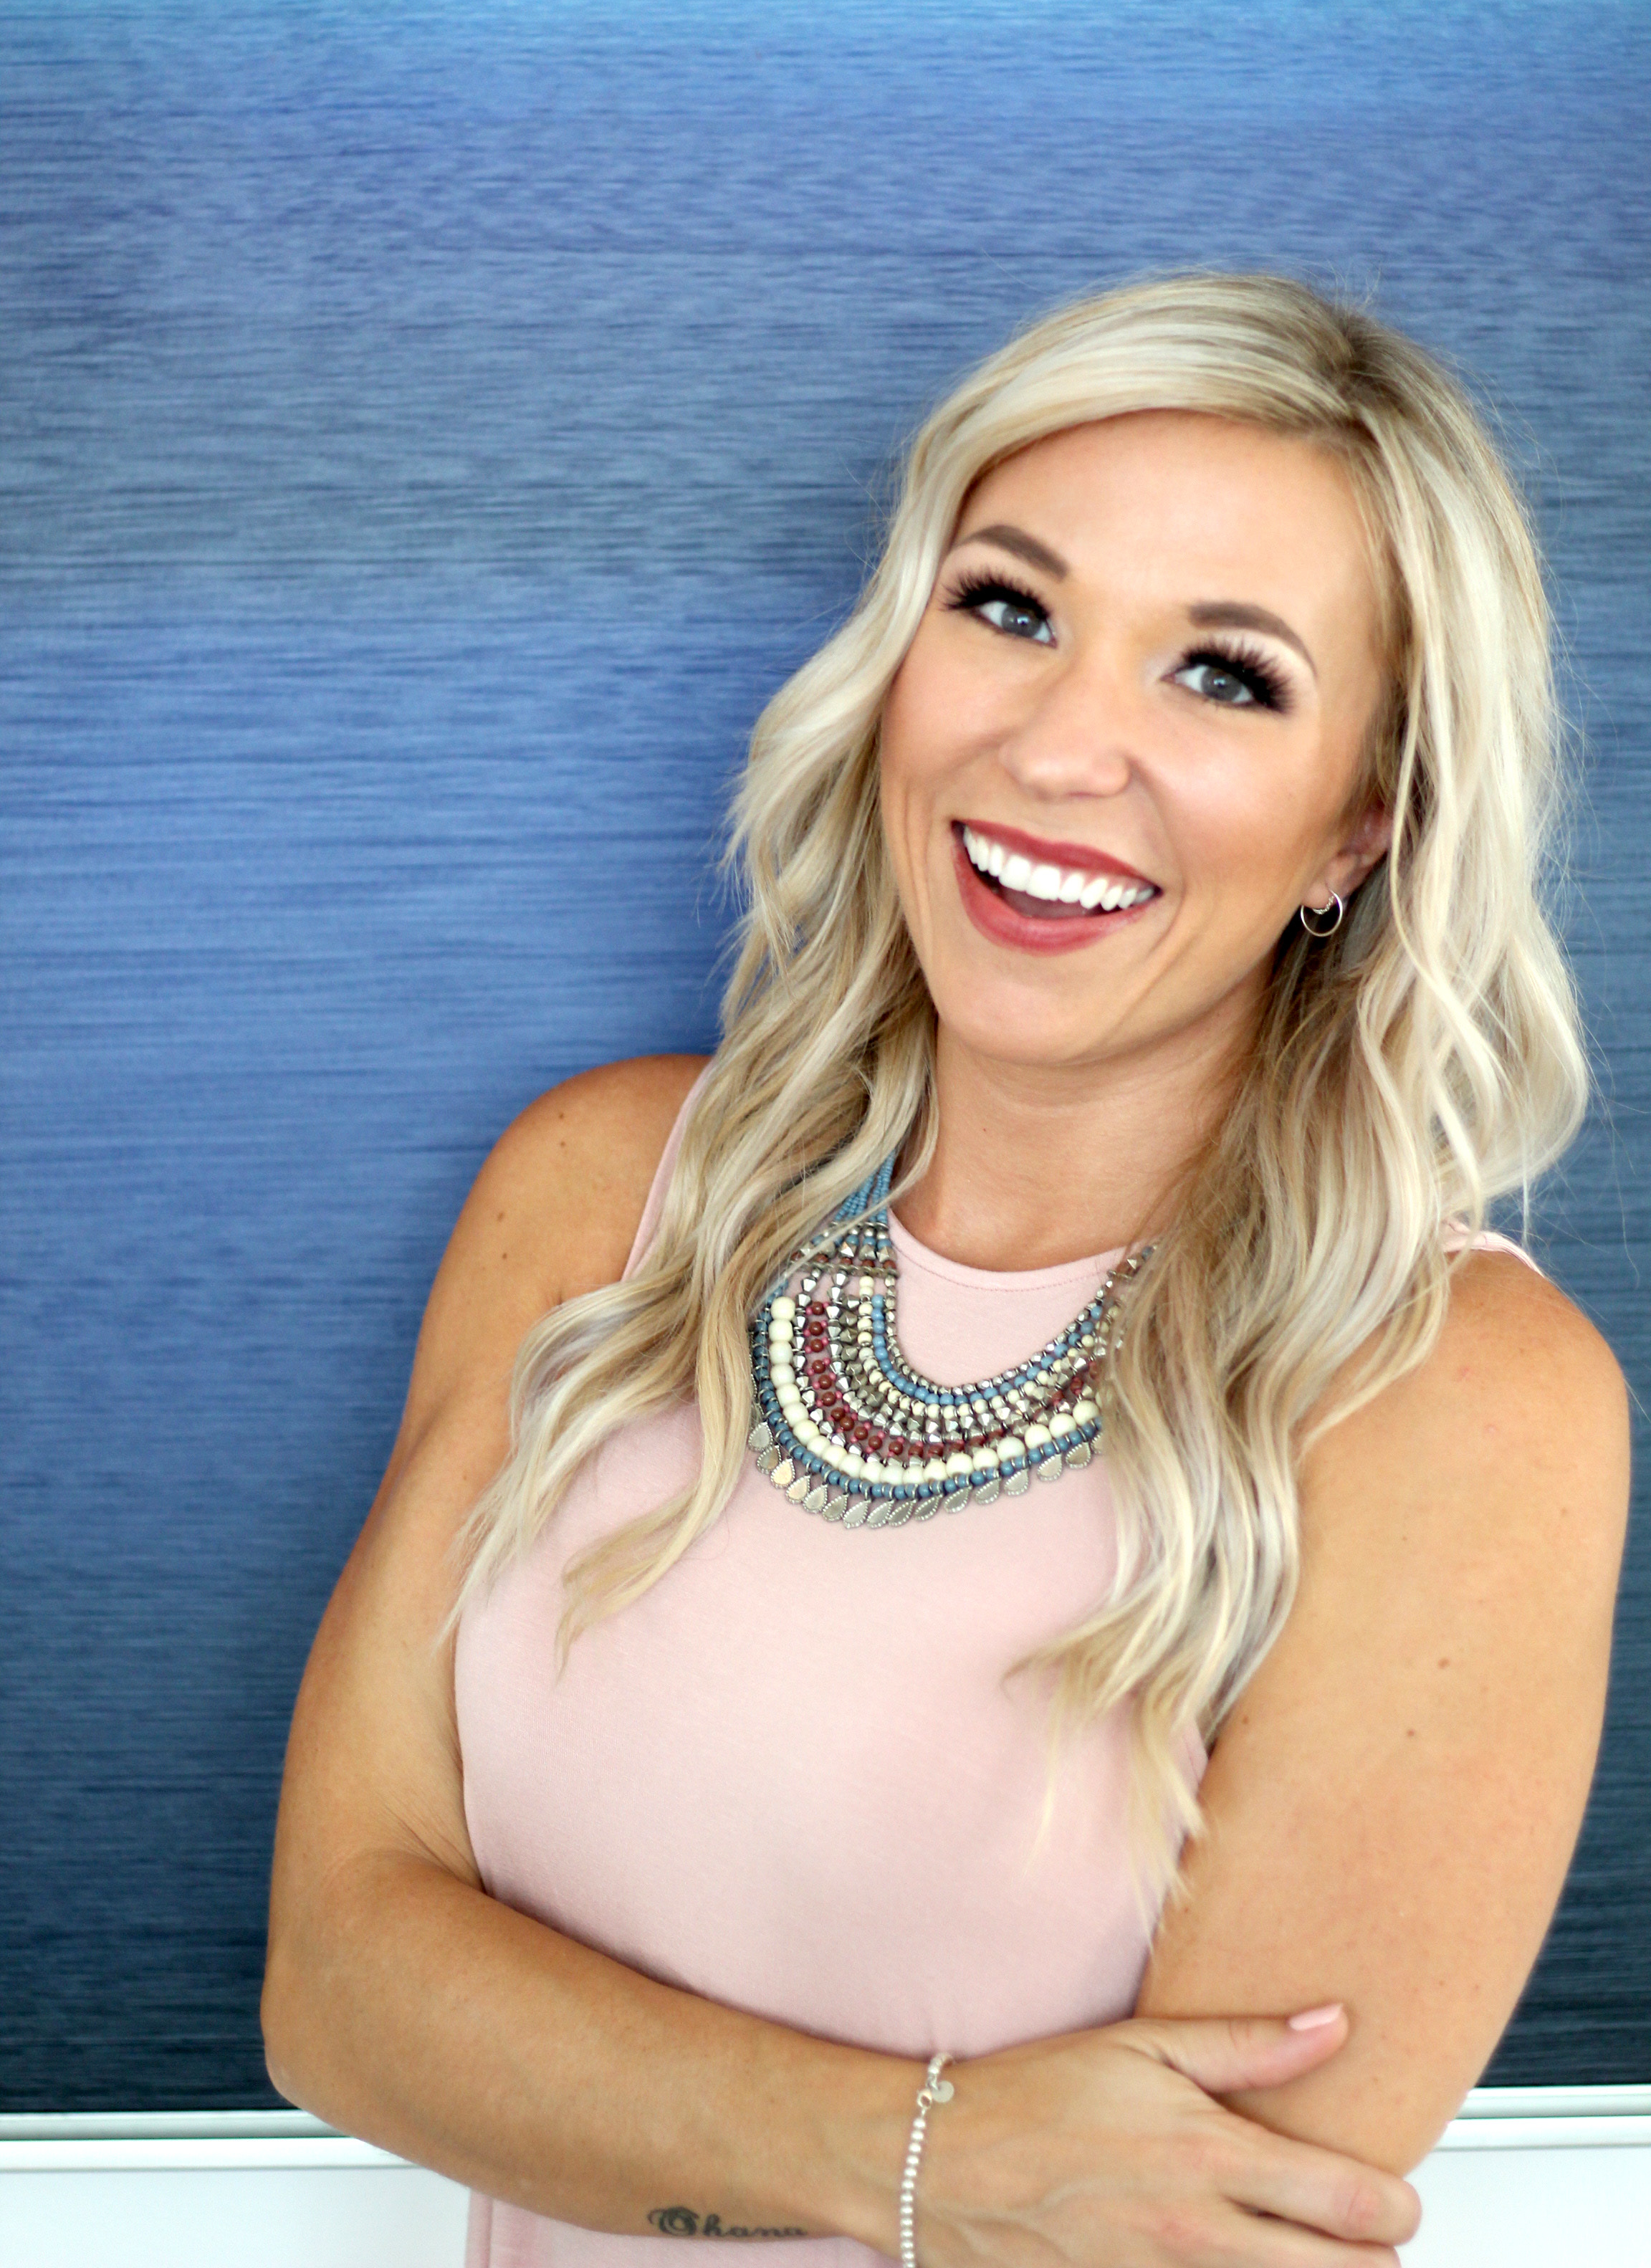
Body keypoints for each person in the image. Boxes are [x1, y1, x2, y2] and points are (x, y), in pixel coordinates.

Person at [263, 273, 1628, 2268]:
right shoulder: (598, 1198)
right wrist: (936, 2157)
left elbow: (1196, 2235)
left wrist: (604, 2080)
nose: (1064, 747)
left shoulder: (1450, 1396)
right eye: (1011, 608)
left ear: (1363, 824)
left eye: (1225, 675)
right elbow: (337, 1996)